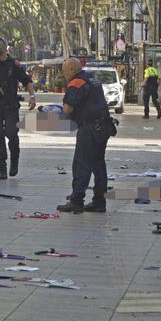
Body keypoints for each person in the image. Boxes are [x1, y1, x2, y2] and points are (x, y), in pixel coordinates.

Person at [57, 58, 112, 213]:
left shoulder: (76, 83)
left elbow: (67, 109)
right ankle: (99, 202)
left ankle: (76, 200)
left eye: (64, 71)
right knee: (98, 164)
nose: (64, 74)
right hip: (104, 127)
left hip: (89, 129)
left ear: (72, 69)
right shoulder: (93, 80)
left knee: (82, 164)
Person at [0, 38, 36, 179]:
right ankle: (2, 168)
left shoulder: (14, 64)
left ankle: (14, 161)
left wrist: (32, 97)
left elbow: (27, 81)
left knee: (11, 133)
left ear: (3, 48)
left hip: (10, 105)